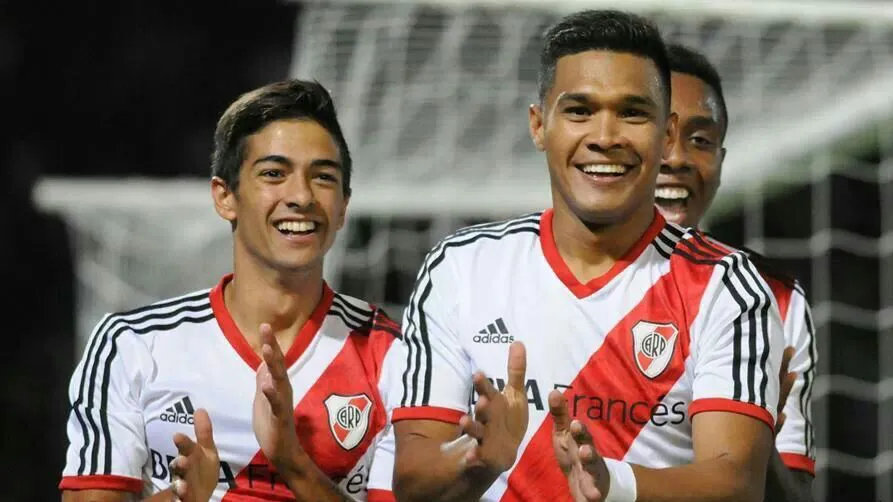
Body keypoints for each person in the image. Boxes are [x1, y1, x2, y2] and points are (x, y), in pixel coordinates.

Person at [371, 9, 785, 502]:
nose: (605, 137)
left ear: (665, 132)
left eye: (632, 112)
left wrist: (613, 485)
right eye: (579, 111)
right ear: (538, 125)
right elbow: (413, 481)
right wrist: (477, 461)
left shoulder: (728, 286)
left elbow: (737, 485)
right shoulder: (460, 268)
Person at [59, 79, 402, 501]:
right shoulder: (132, 345)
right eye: (274, 174)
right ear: (225, 197)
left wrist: (291, 461)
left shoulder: (391, 355)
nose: (301, 196)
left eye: (323, 177)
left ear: (344, 206)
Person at [654, 43, 817, 501]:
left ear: (721, 163)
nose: (677, 158)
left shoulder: (773, 297)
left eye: (700, 140)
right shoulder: (519, 273)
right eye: (659, 135)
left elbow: (796, 495)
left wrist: (758, 442)